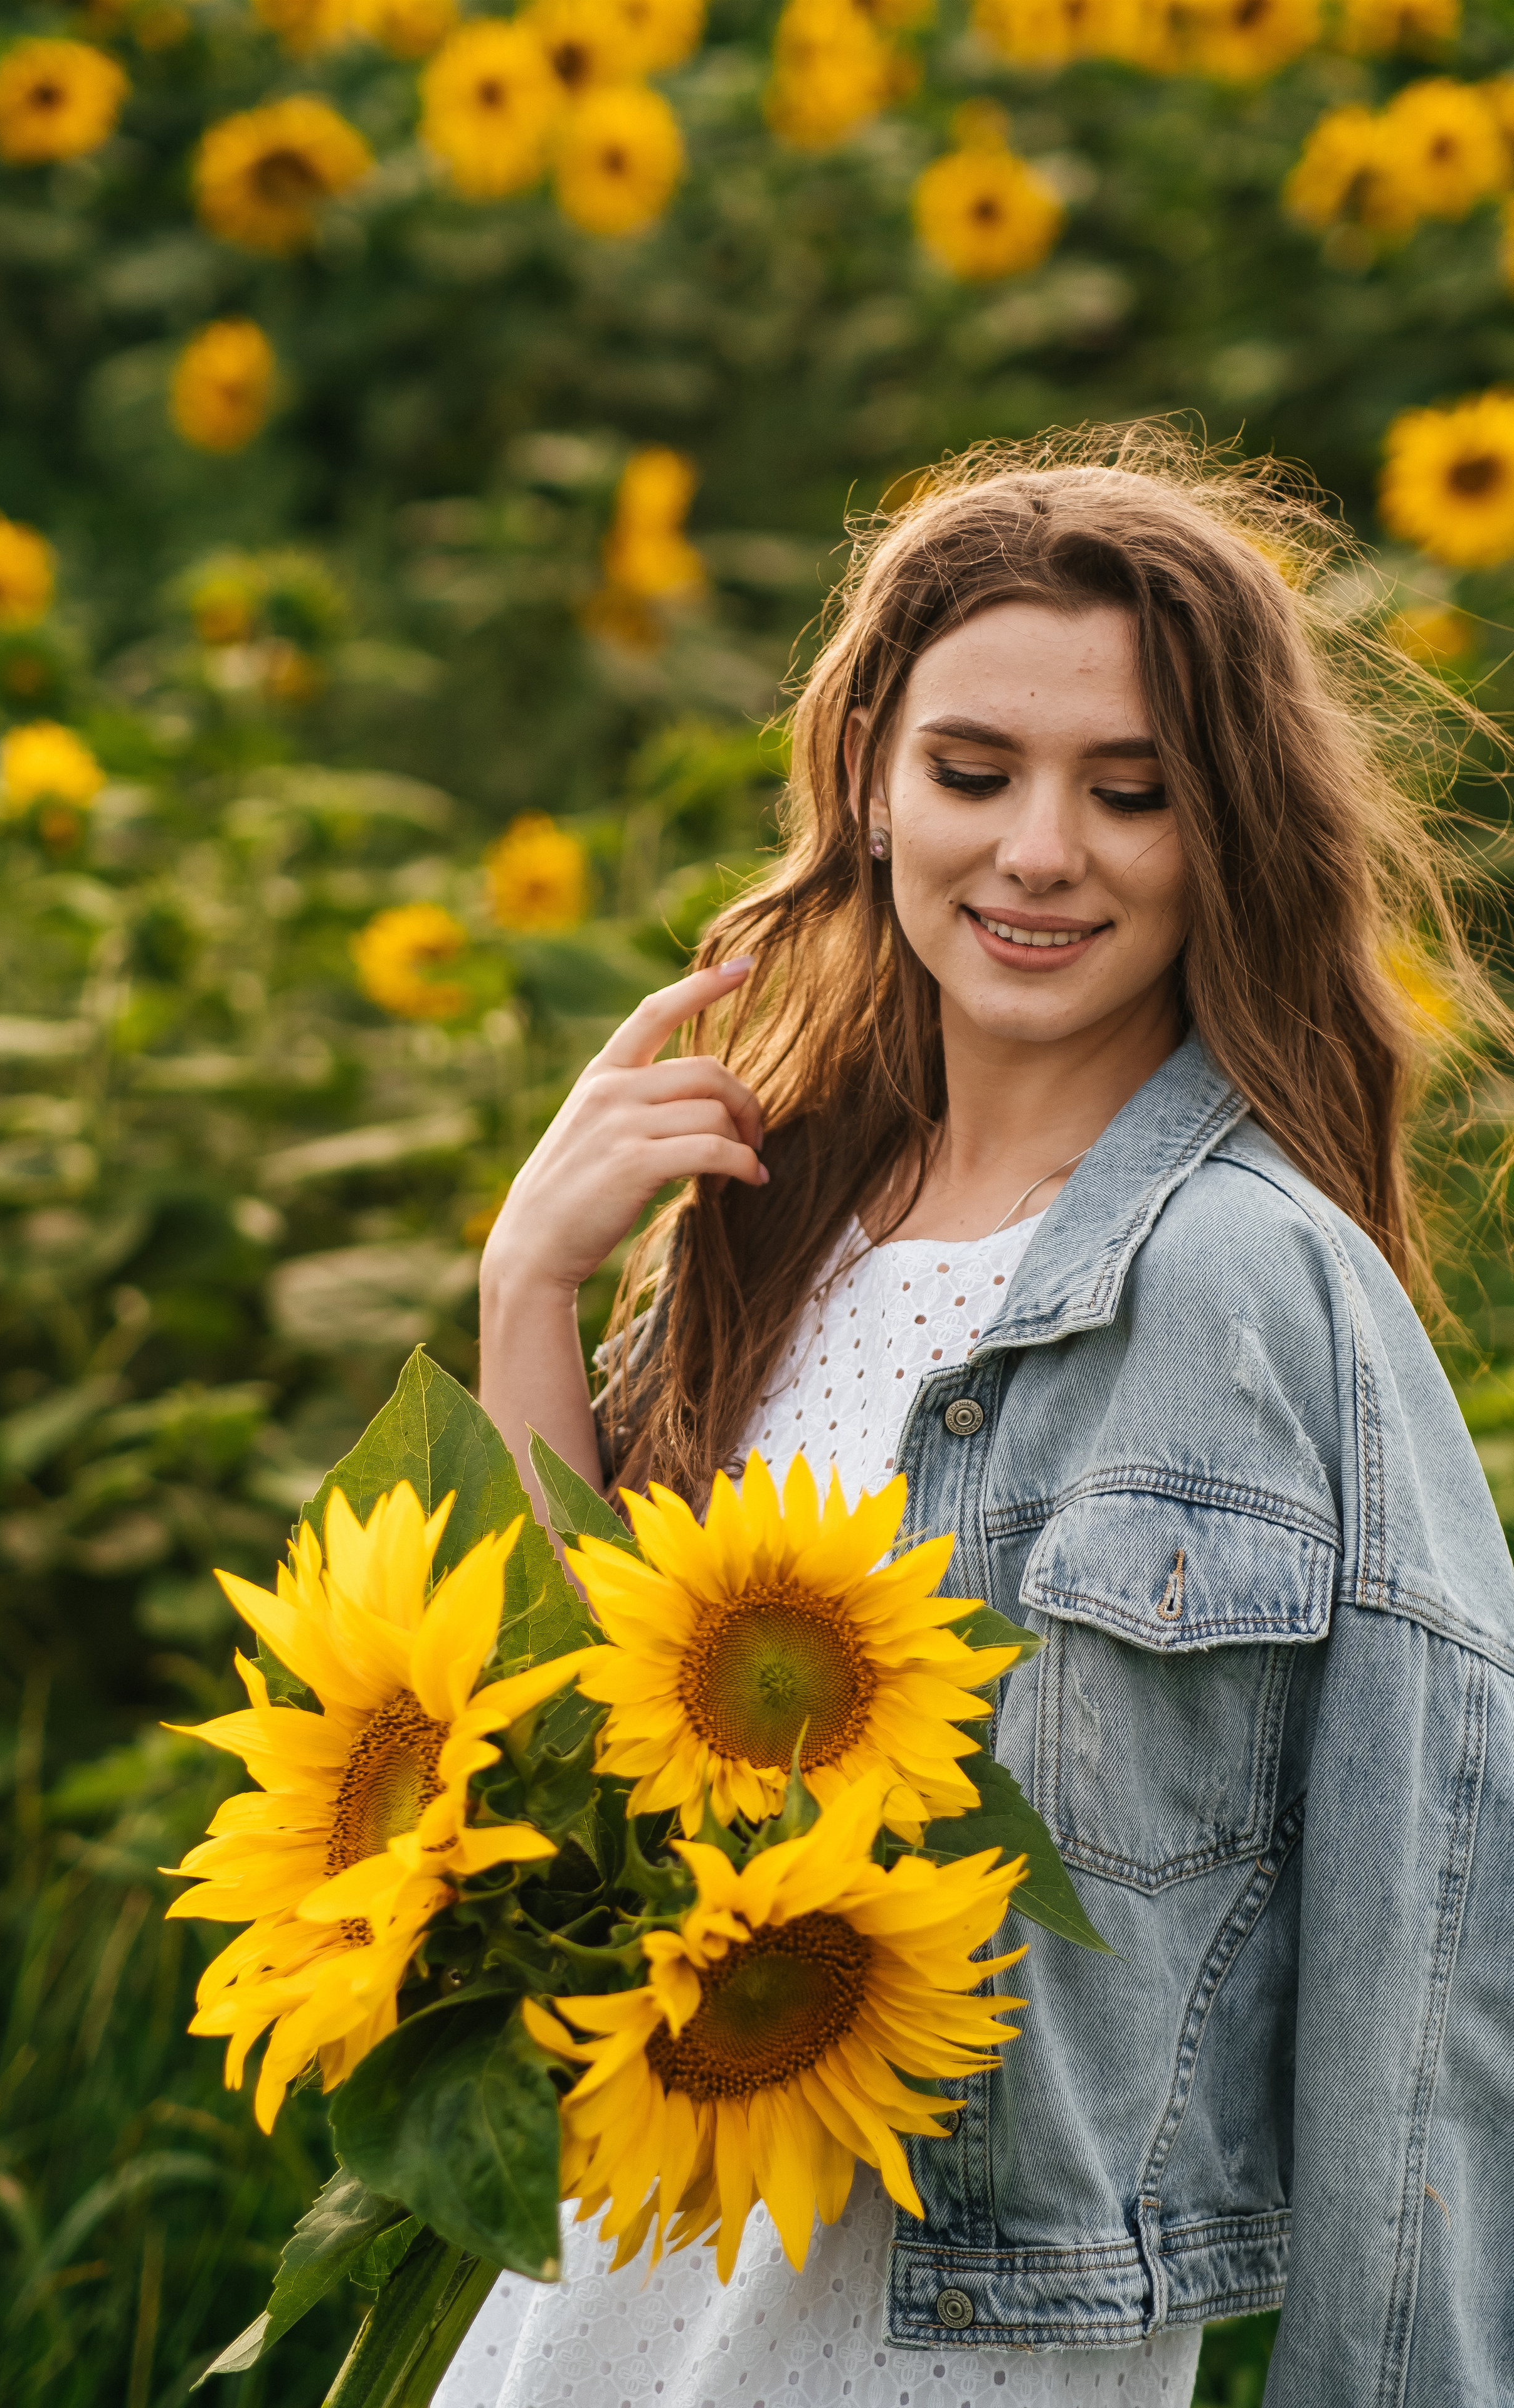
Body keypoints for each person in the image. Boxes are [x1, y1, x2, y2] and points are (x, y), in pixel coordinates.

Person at [460, 428, 1514, 2408]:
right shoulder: (771, 1228)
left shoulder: (1257, 1287)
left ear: (1225, 837)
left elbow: (1435, 1946)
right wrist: (529, 1287)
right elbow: (551, 1797)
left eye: (1134, 793)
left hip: (953, 2349)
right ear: (868, 781)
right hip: (603, 2293)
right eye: (974, 773)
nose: (1042, 851)